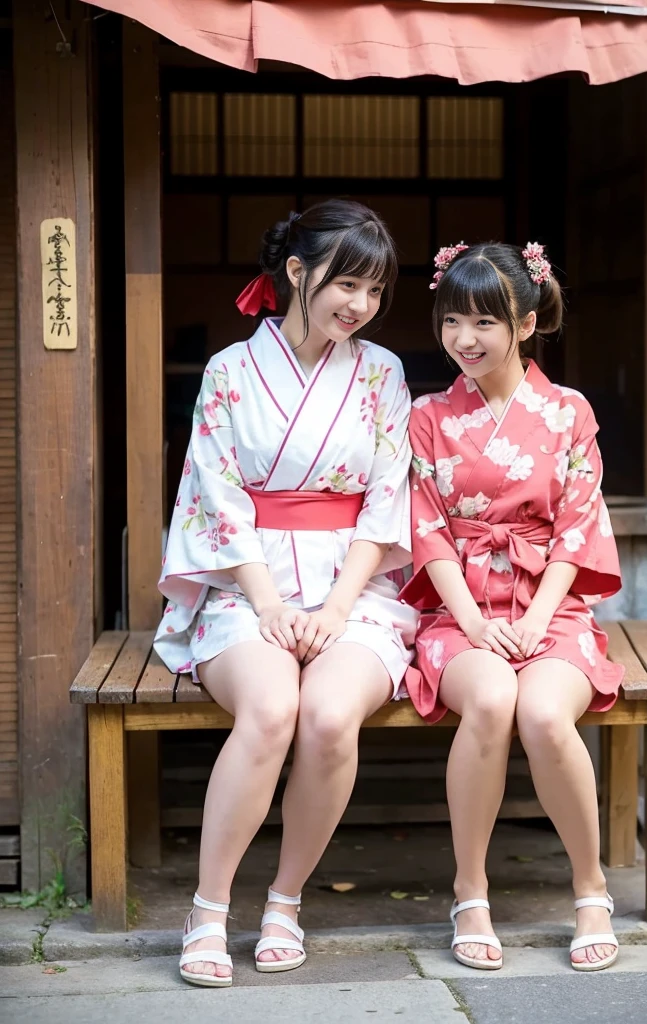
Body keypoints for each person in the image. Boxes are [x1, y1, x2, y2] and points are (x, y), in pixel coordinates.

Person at [154, 199, 417, 987]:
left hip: (353, 586)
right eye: (347, 285)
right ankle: (207, 908)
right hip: (248, 581)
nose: (360, 306)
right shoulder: (232, 371)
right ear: (297, 272)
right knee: (271, 710)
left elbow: (385, 498)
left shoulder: (382, 374)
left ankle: (285, 900)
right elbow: (217, 494)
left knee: (330, 717)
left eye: (375, 292)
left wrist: (337, 608)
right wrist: (269, 604)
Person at [402, 240, 623, 974]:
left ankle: (590, 888)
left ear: (526, 324)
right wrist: (474, 622)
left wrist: (532, 621)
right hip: (458, 609)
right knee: (493, 699)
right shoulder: (428, 416)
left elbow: (578, 524)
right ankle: (470, 890)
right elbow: (426, 527)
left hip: (548, 605)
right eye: (452, 320)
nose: (464, 339)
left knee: (543, 712)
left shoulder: (568, 412)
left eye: (484, 323)